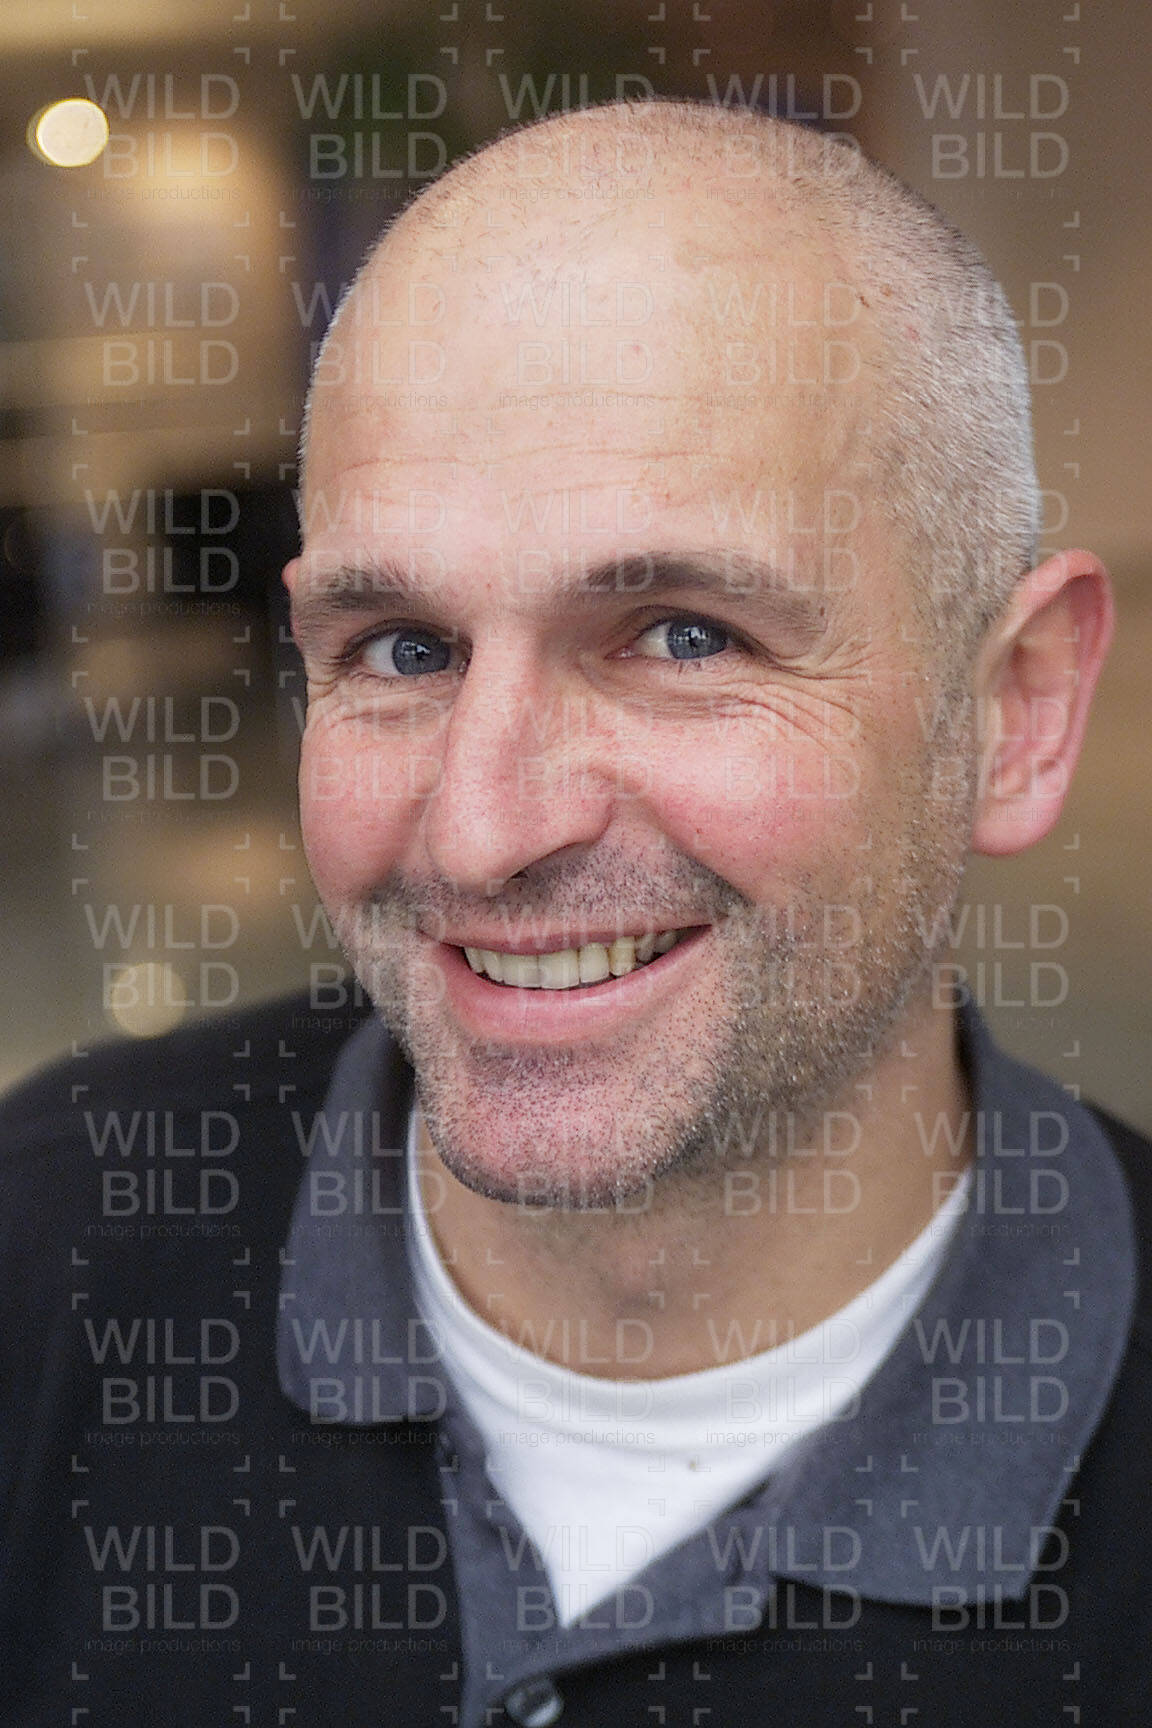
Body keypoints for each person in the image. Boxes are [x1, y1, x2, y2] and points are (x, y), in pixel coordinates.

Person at [1, 100, 1148, 1725]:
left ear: (1013, 711)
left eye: (682, 636)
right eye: (403, 648)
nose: (483, 833)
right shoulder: (44, 1249)